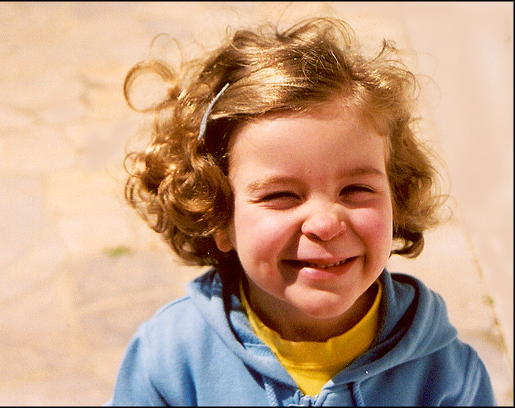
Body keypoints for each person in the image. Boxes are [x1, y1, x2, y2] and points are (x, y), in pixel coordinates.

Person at [109, 17, 496, 406]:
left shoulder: (445, 374)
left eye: (356, 189)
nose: (326, 224)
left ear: (396, 197)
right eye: (281, 196)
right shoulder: (170, 361)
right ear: (218, 216)